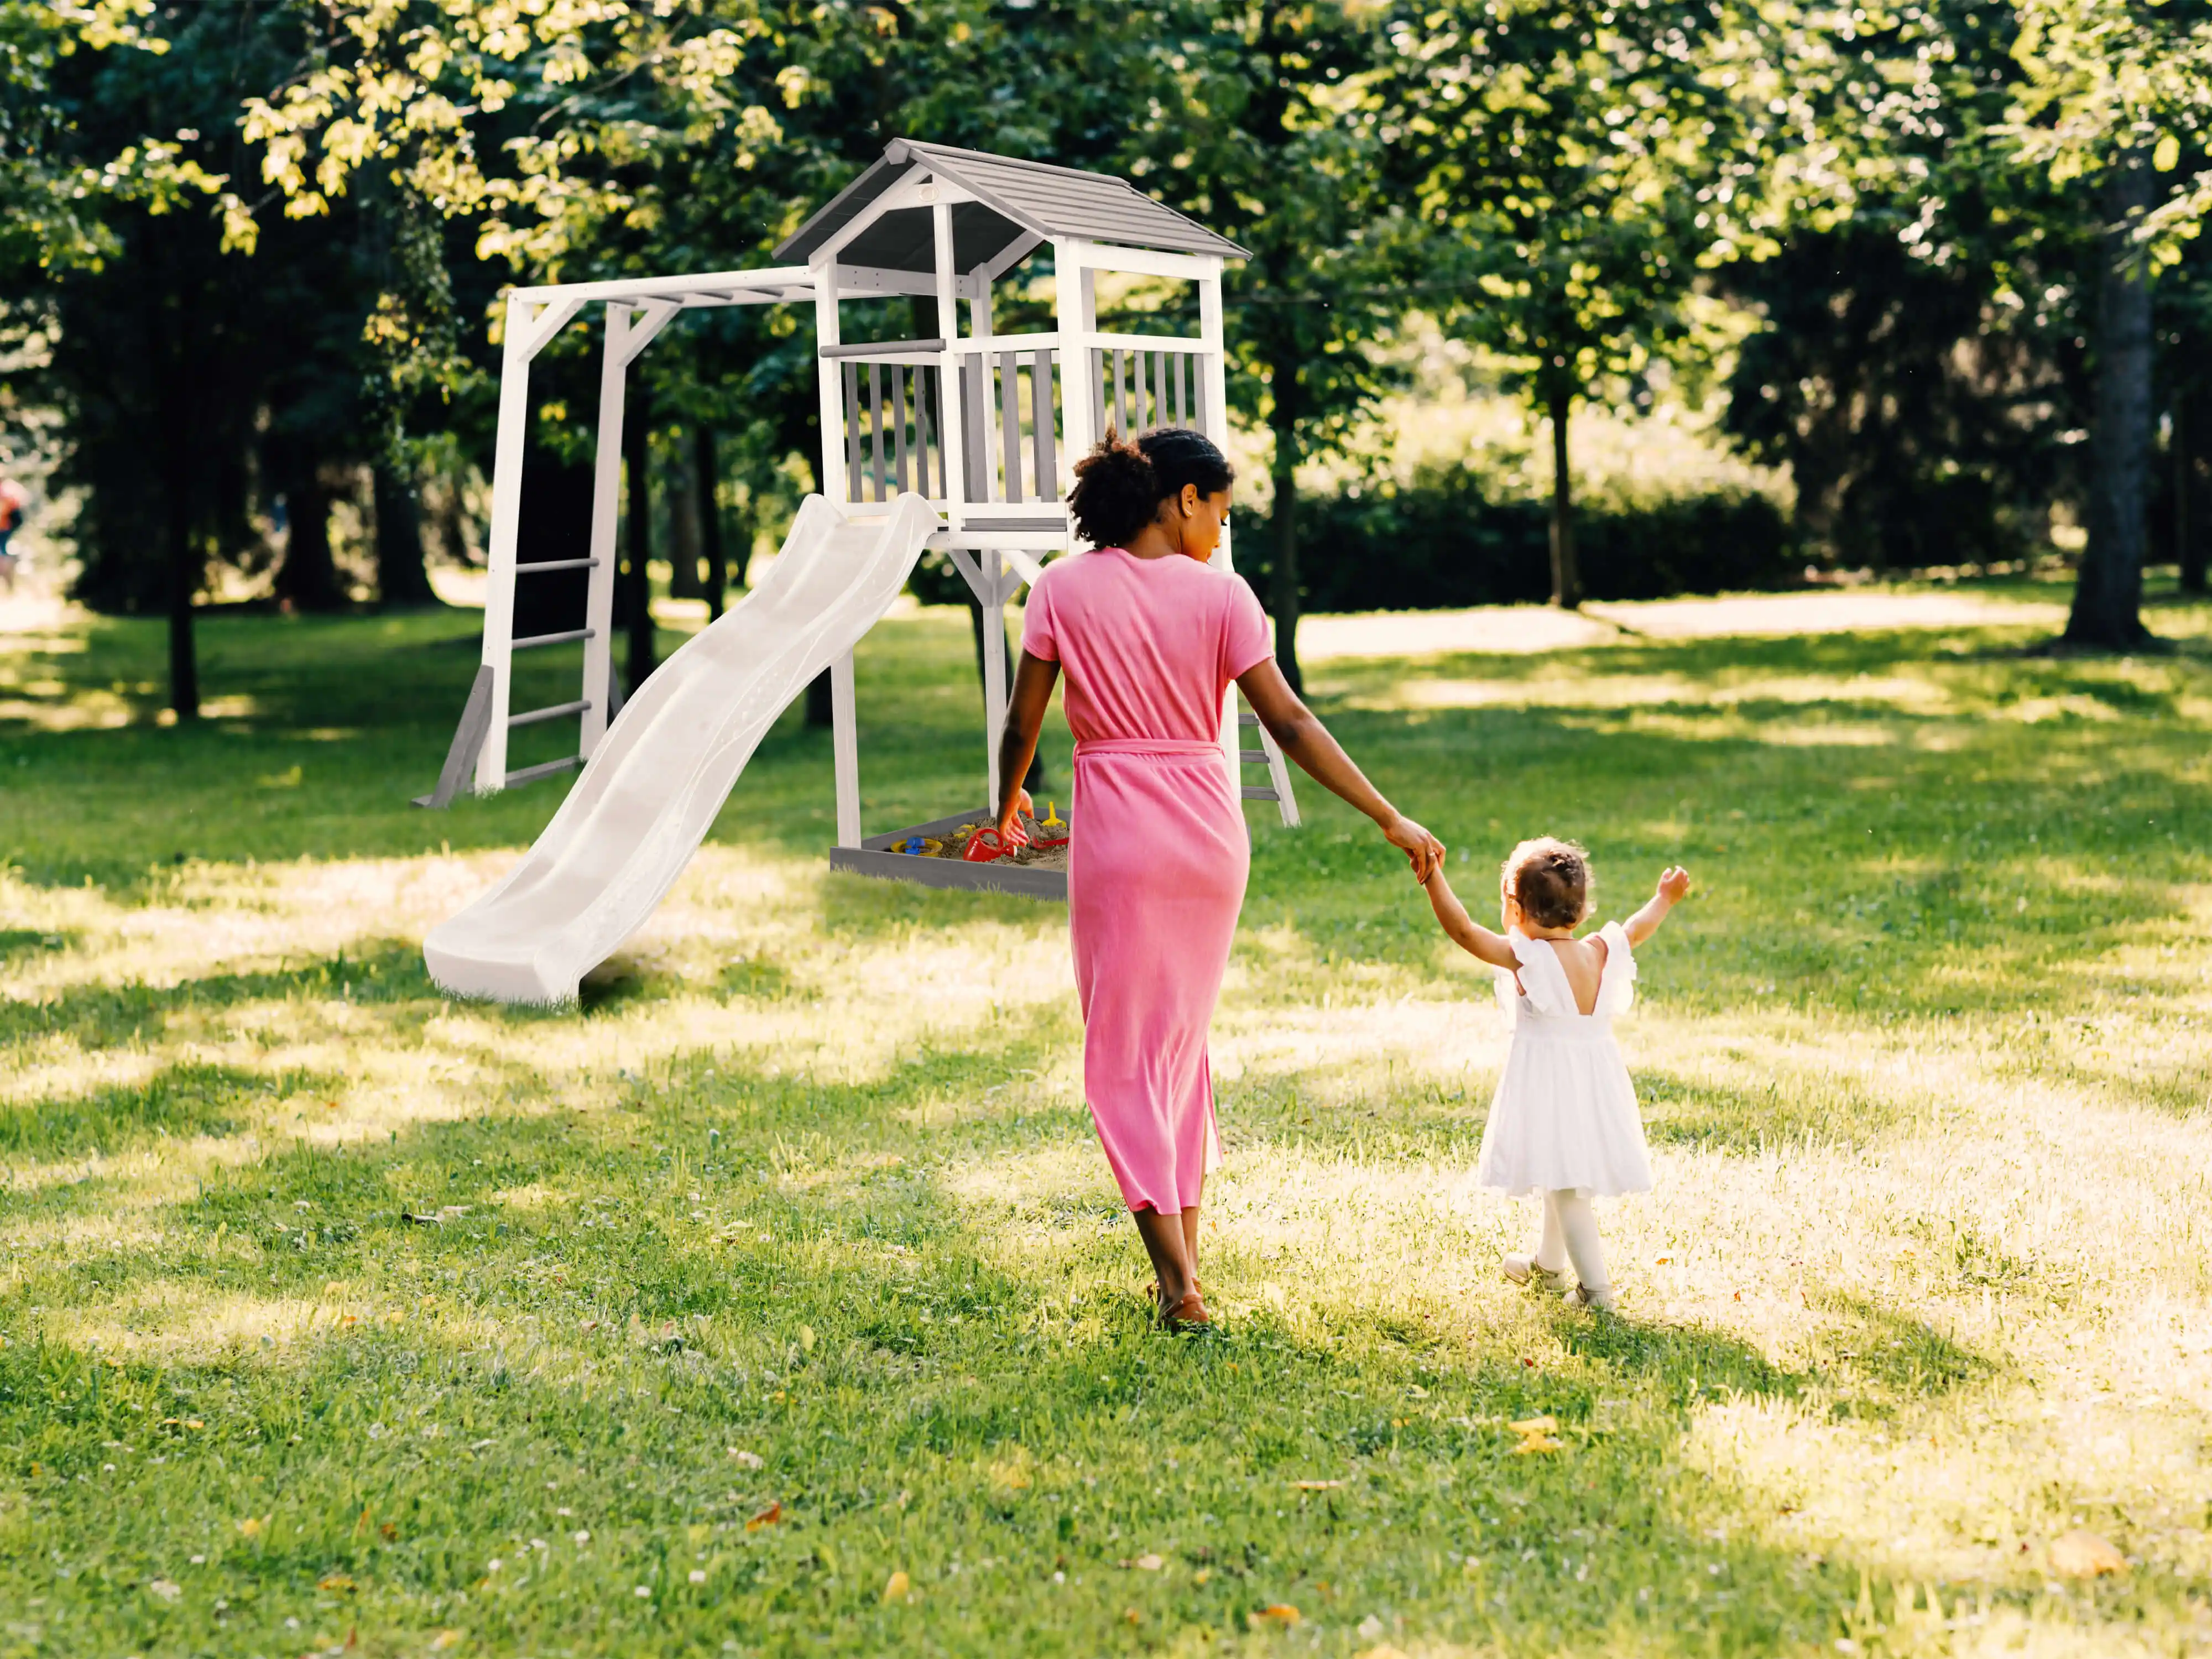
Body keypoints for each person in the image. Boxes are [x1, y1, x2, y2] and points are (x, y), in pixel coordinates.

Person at [991, 427, 1444, 1331]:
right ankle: (1186, 1269)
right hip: (1208, 836)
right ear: (1184, 499)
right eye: (1222, 512)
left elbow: (1022, 724)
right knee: (1178, 1051)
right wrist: (1387, 814)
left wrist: (1003, 808)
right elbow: (1290, 723)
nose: (1222, 532)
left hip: (1119, 837)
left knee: (1123, 1056)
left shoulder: (1059, 589)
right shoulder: (1225, 598)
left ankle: (1177, 1285)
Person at [1418, 838, 1692, 1311]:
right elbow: (1636, 928)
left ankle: (1596, 1291)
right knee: (1557, 1170)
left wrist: (1432, 876)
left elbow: (1463, 931)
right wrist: (1664, 899)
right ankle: (1548, 1267)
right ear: (1581, 910)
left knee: (1566, 1189)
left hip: (1551, 1085)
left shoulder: (1528, 959)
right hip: (1594, 1082)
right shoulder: (1599, 951)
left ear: (1516, 908)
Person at [0, 476, 27, 594]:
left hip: (3, 528)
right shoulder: (9, 490)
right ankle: (9, 584)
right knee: (3, 553)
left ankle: (8, 581)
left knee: (3, 554)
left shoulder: (4, 493)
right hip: (6, 527)